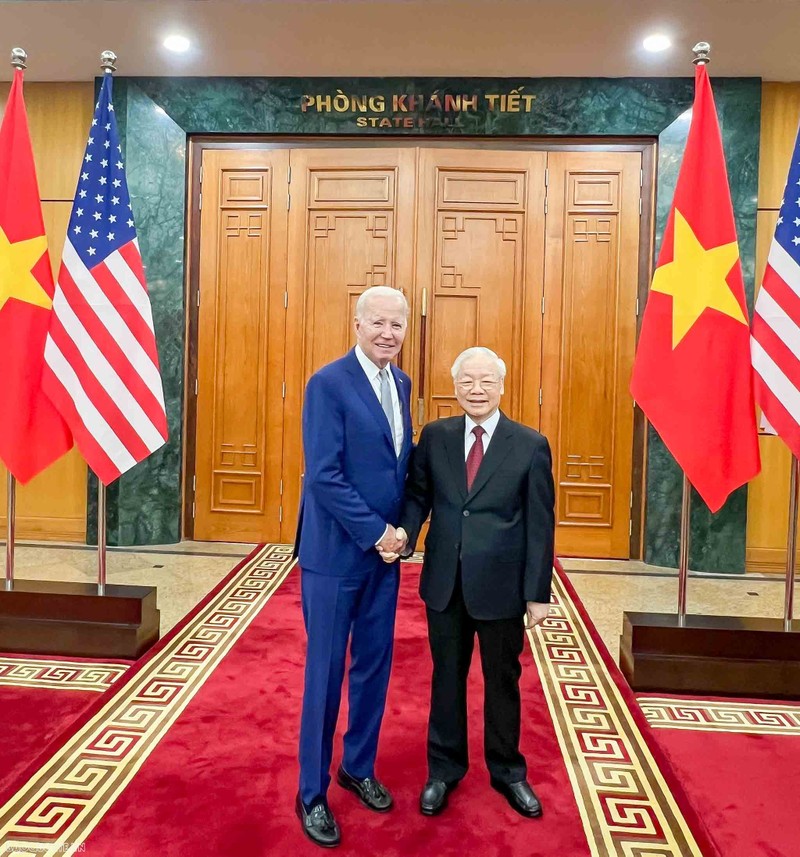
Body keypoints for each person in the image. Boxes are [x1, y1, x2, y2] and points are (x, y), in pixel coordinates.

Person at [394, 346, 555, 819]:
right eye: (467, 382)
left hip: (503, 588)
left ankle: (508, 771)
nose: (477, 390)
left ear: (502, 386)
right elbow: (419, 495)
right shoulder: (437, 436)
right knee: (447, 678)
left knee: (502, 681)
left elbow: (540, 525)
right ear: (456, 387)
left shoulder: (529, 444)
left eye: (486, 381)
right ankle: (443, 770)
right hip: (445, 583)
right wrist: (404, 535)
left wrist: (536, 592)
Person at [294, 286, 412, 848]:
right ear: (357, 323)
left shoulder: (402, 383)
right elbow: (324, 474)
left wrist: (399, 536)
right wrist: (376, 533)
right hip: (335, 557)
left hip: (384, 560)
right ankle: (311, 793)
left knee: (374, 666)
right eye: (378, 322)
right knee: (325, 674)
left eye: (398, 324)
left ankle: (357, 767)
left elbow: (394, 468)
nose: (388, 333)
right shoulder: (328, 384)